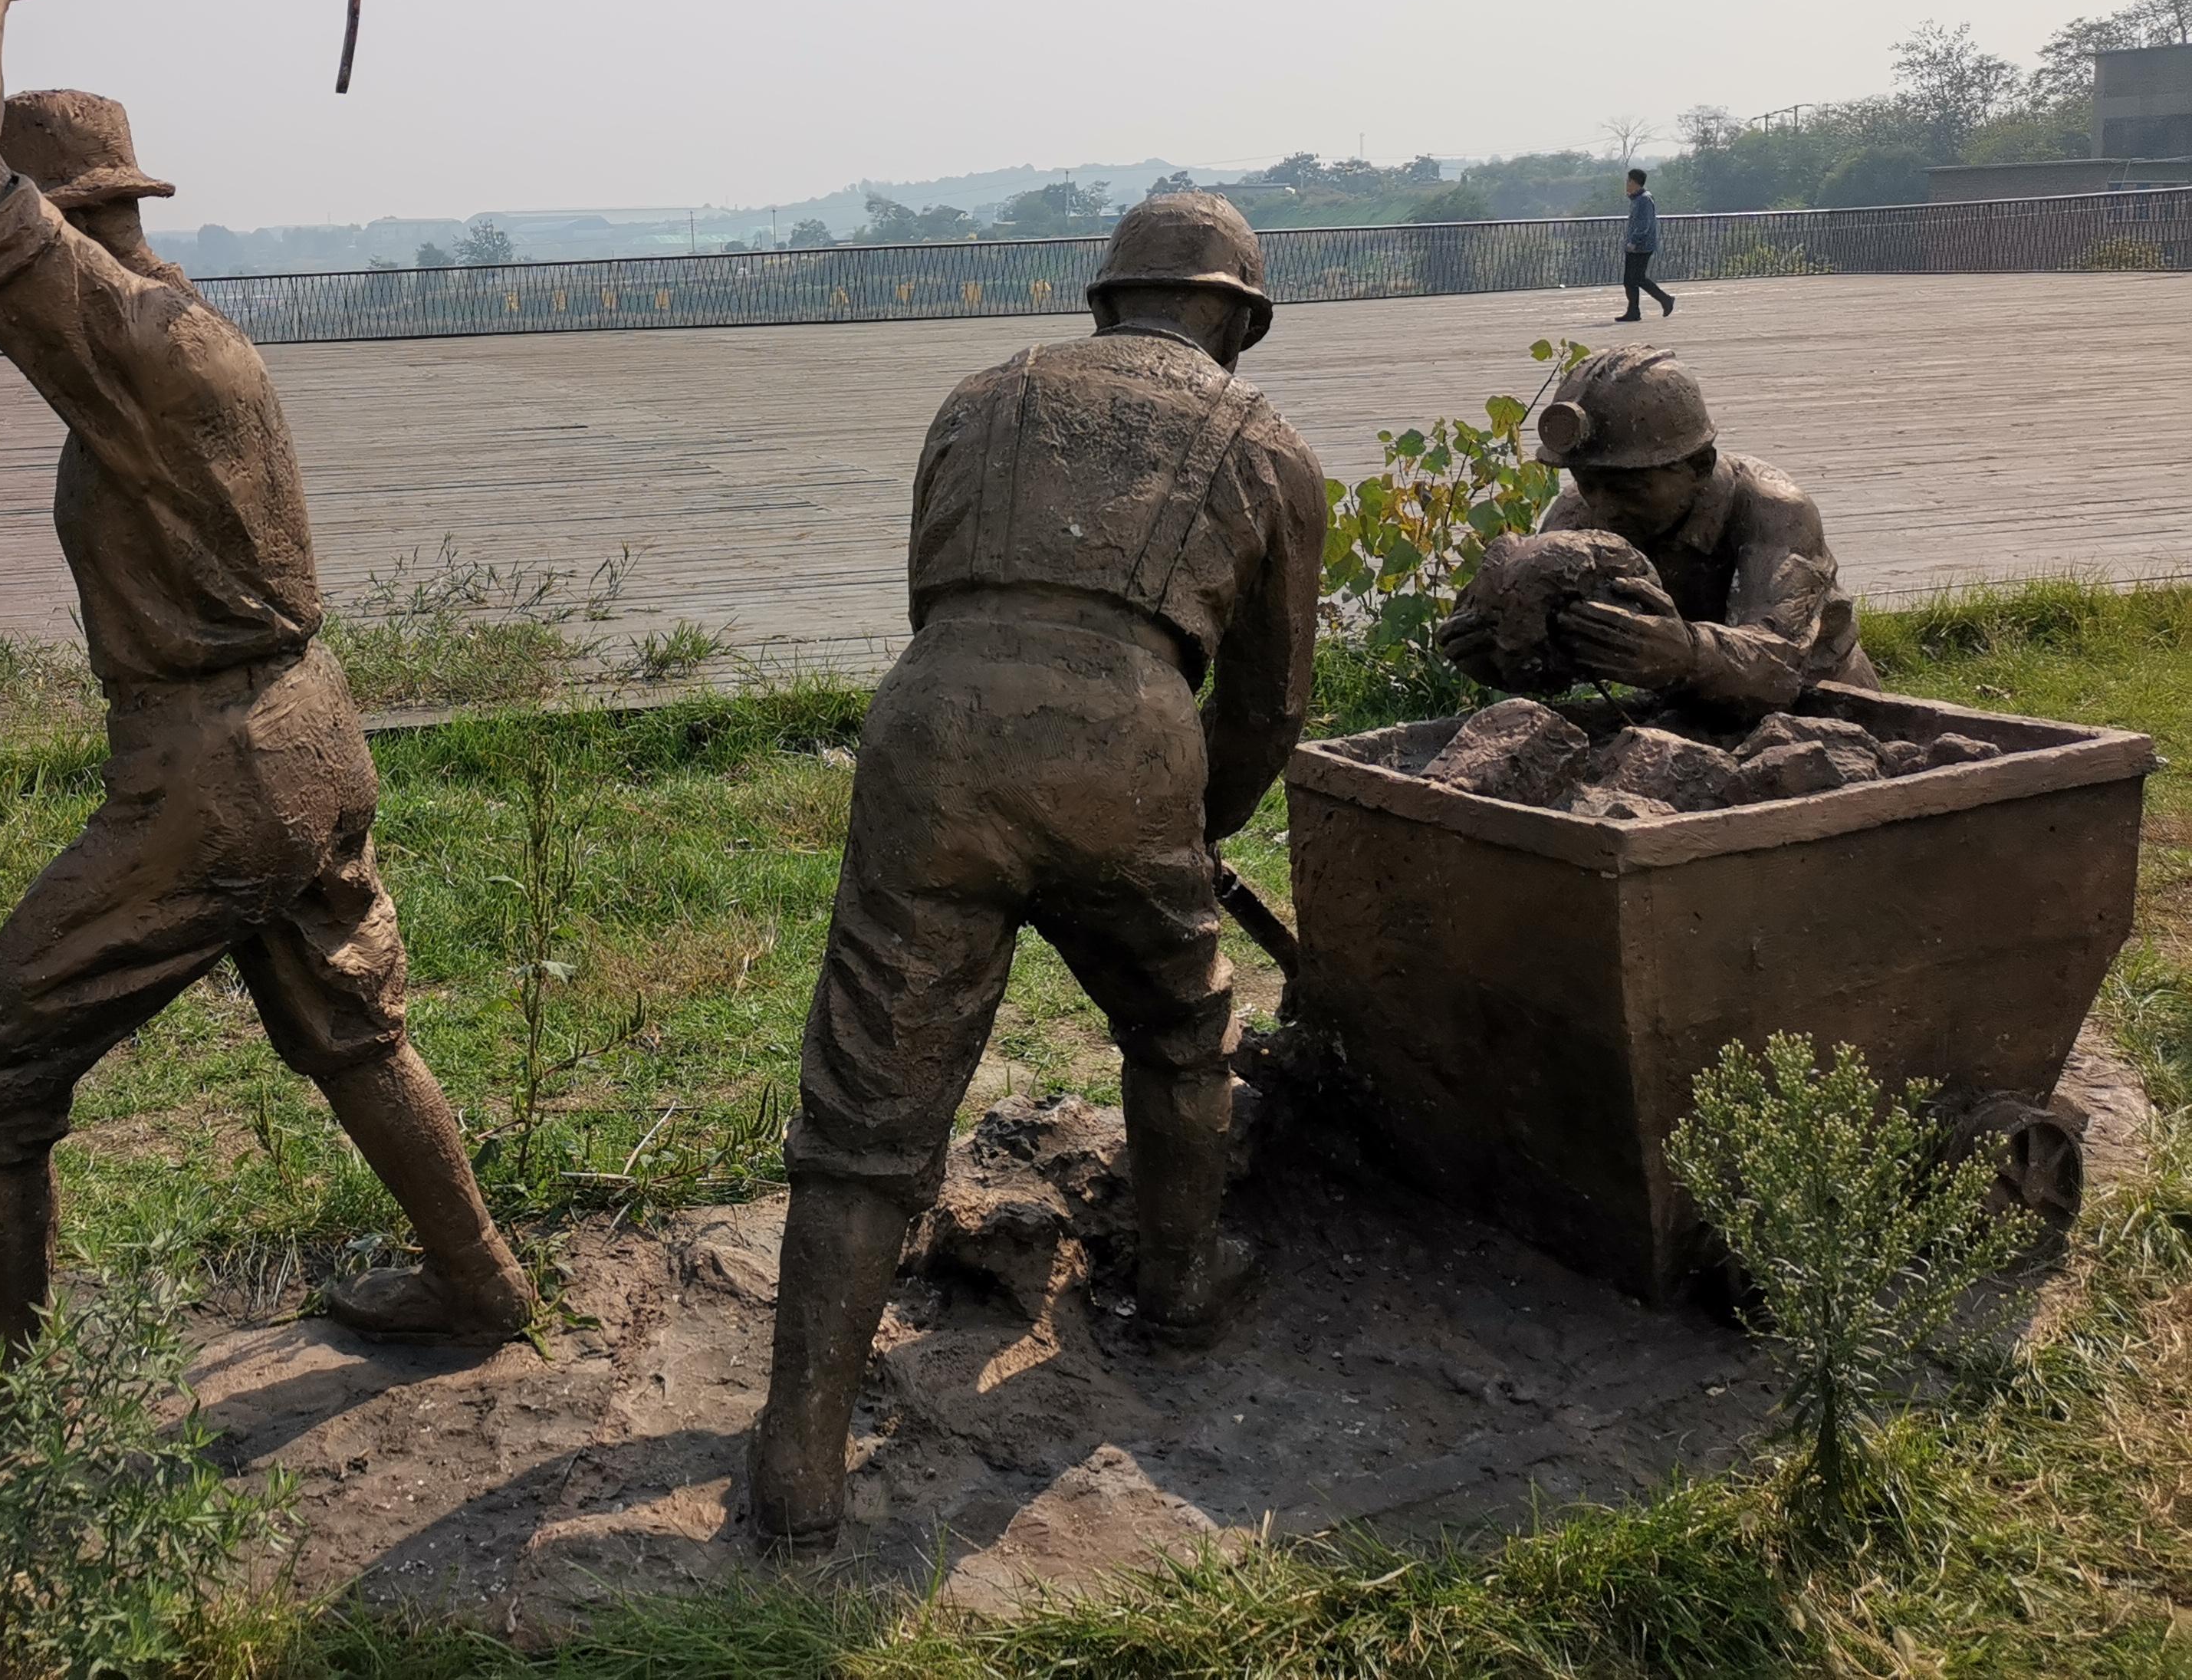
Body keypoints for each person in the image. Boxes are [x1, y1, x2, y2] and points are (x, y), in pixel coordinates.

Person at [0, 0, 533, 1468]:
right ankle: (478, 1282)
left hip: (214, 764)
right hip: (301, 731)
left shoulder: (144, 353)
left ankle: (5, 1406)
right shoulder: (162, 327)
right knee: (349, 1029)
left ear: (55, 229)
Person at [748, 194, 1324, 1546]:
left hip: (929, 727)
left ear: (1107, 300)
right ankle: (1182, 1286)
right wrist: (1203, 818)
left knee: (867, 1096)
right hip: (1129, 739)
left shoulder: (980, 396)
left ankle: (798, 1455)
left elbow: (932, 596)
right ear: (1239, 319)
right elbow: (1269, 702)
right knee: (1182, 1025)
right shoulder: (1270, 445)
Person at [1438, 344, 1879, 718]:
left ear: (1698, 467)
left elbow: (1778, 663)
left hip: (1828, 707)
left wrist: (1685, 653)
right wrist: (1504, 649)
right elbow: (1563, 662)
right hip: (1685, 710)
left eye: (1631, 487)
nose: (1604, 509)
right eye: (1587, 481)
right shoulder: (1579, 510)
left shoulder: (1773, 510)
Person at [1619, 169, 1675, 321]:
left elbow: (1644, 225)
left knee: (1637, 278)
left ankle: (1665, 299)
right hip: (1636, 246)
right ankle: (1633, 311)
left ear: (1634, 182)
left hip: (1641, 247)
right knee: (1630, 280)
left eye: (1628, 181)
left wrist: (1634, 242)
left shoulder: (1644, 200)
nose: (1626, 184)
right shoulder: (1637, 199)